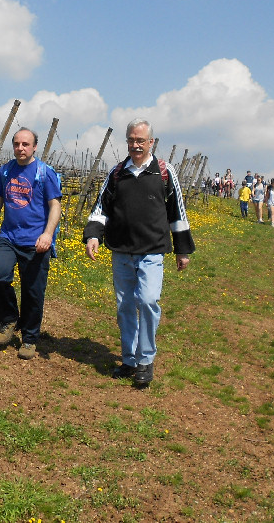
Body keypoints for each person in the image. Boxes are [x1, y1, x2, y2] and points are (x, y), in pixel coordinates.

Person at [83, 118, 195, 388]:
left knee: (147, 301)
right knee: (124, 307)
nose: (135, 145)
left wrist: (182, 249)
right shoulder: (117, 173)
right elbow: (101, 208)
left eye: (140, 140)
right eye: (131, 140)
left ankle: (146, 359)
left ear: (151, 142)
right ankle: (130, 359)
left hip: (152, 251)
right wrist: (93, 235)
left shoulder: (164, 173)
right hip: (121, 251)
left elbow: (177, 212)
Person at [0, 128, 63, 360]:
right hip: (9, 237)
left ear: (35, 146)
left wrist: (48, 234)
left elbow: (55, 205)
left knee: (33, 292)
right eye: (17, 144)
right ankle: (8, 320)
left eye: (25, 144)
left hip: (36, 242)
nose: (21, 148)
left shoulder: (44, 173)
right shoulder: (6, 171)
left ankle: (29, 338)